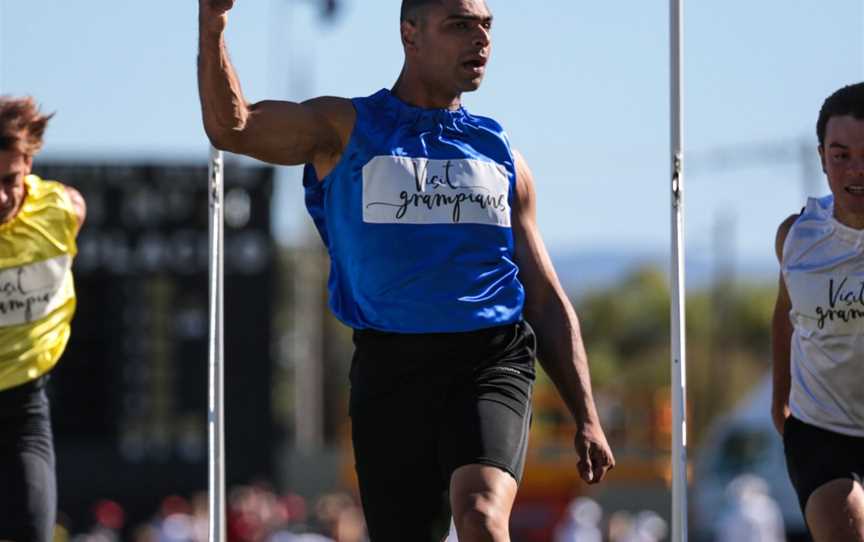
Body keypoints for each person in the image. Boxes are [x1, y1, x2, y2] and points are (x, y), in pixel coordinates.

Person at [197, 0, 615, 540]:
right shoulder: (344, 128)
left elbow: (544, 296)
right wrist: (213, 26)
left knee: (483, 515)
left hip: (489, 358)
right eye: (460, 25)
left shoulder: (501, 153)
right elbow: (234, 127)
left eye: (486, 26)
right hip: (391, 367)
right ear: (409, 34)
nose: (480, 40)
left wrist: (586, 413)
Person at [771, 82, 864, 542]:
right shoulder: (797, 238)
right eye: (841, 154)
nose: (856, 170)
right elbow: (785, 315)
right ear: (822, 157)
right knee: (843, 518)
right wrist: (779, 400)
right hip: (819, 429)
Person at [0, 96, 86, 541]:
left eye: (8, 180)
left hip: (24, 406)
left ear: (29, 162)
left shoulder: (64, 211)